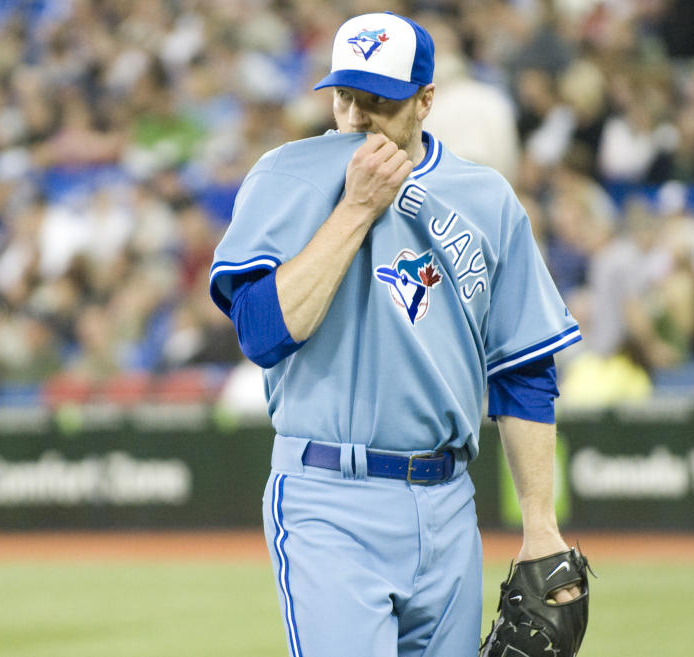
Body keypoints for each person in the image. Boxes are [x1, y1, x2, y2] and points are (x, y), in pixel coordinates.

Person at [209, 12, 585, 657]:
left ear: (424, 102)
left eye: (379, 101)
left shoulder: (486, 198)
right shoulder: (287, 176)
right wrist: (356, 207)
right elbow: (263, 333)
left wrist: (541, 526)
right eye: (344, 97)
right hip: (328, 493)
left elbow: (522, 373)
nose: (356, 118)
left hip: (446, 503)